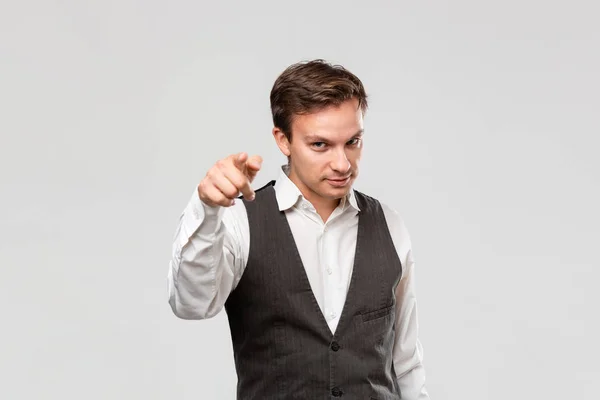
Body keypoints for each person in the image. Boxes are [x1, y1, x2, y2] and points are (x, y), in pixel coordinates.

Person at [167, 59, 430, 399]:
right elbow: (191, 303)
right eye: (320, 145)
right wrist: (207, 208)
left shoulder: (390, 225)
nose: (342, 164)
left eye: (353, 142)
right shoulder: (239, 220)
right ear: (283, 140)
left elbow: (405, 362)